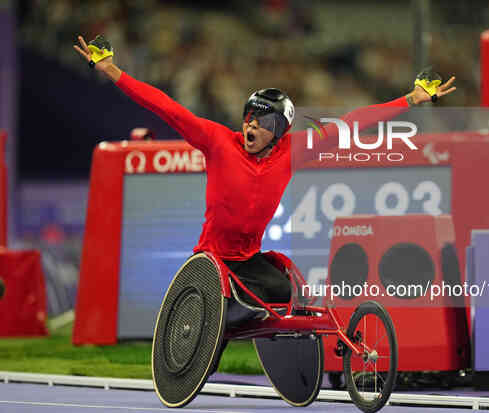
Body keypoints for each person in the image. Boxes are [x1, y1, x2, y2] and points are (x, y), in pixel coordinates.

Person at [74, 34, 455, 370]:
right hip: (212, 261)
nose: (251, 126)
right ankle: (212, 328)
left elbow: (353, 122)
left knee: (283, 293)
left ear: (280, 131)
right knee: (216, 329)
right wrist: (112, 70)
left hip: (248, 262)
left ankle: (238, 325)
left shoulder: (294, 151)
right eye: (249, 118)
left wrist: (411, 98)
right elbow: (166, 107)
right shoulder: (217, 140)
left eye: (263, 122)